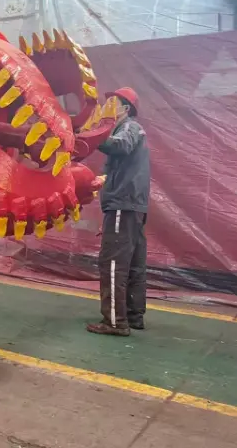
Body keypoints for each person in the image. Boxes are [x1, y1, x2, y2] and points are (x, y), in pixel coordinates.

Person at [87, 87, 150, 337]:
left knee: (112, 263)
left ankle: (114, 321)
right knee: (134, 263)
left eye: (113, 103)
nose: (108, 108)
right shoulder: (130, 130)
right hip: (131, 206)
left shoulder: (129, 128)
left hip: (123, 203)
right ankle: (134, 315)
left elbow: (119, 147)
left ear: (126, 109)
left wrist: (94, 135)